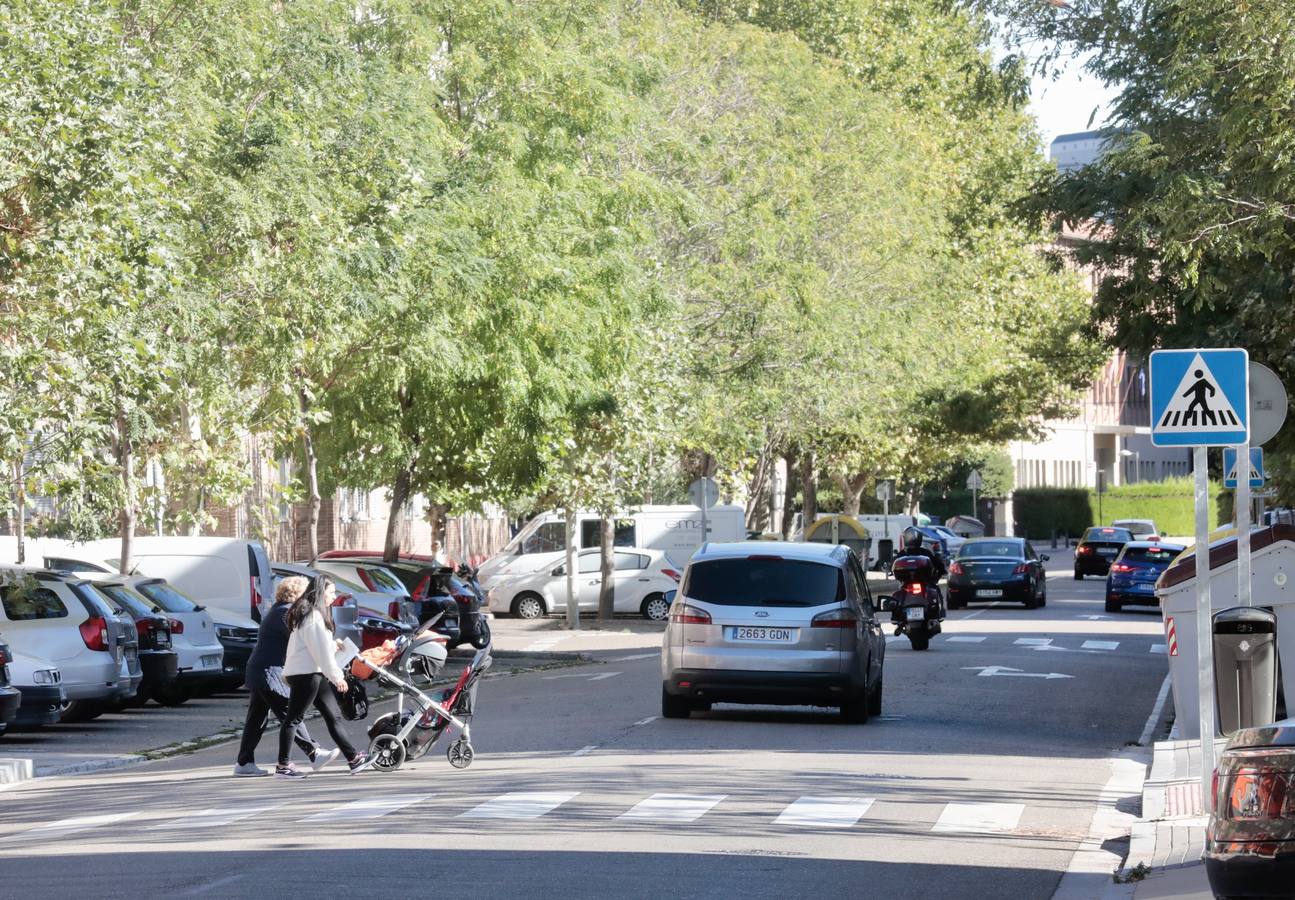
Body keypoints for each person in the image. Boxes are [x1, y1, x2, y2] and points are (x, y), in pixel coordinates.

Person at [233, 575, 336, 777]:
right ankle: (314, 752)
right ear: (298, 593)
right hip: (269, 673)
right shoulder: (286, 613)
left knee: (257, 719)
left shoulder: (278, 610)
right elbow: (304, 639)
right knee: (290, 714)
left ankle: (244, 762)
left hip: (260, 671)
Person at [276, 575, 371, 779]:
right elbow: (319, 651)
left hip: (313, 672)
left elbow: (318, 647)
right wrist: (337, 677)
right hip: (306, 674)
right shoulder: (312, 616)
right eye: (331, 593)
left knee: (333, 715)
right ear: (320, 593)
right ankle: (283, 766)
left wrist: (333, 644)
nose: (334, 597)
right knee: (293, 719)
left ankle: (354, 759)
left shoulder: (312, 614)